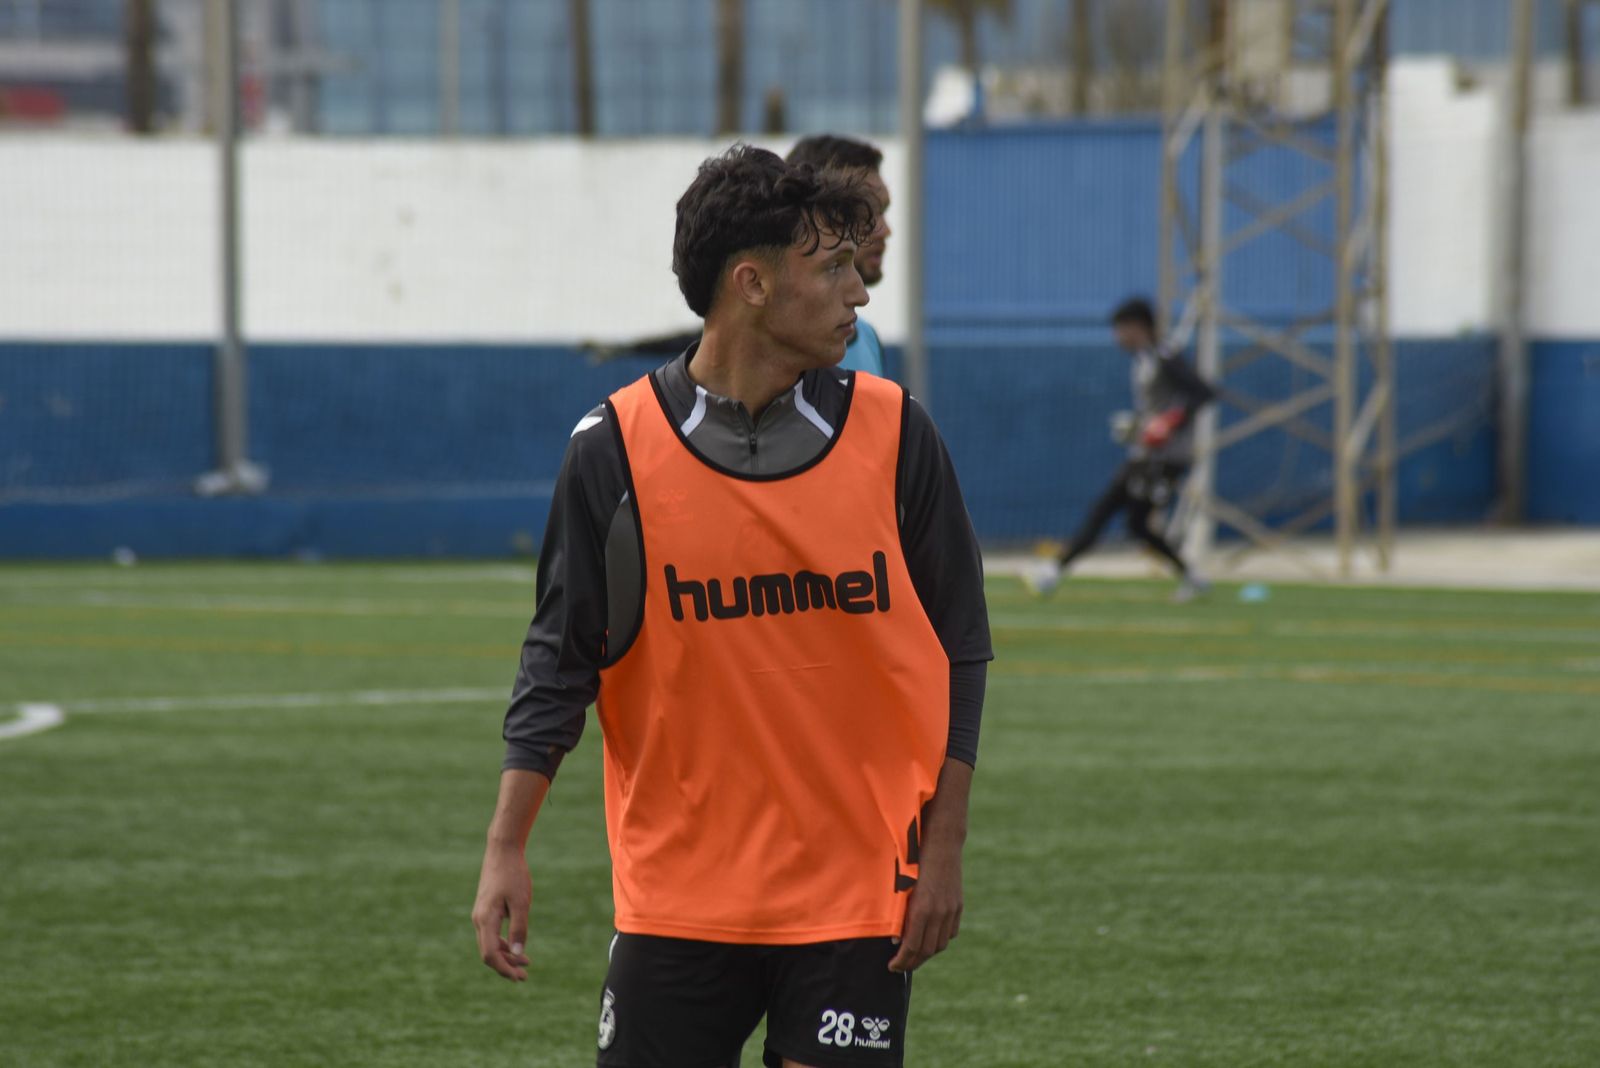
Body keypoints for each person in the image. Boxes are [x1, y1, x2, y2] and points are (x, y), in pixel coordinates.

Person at [472, 145, 993, 1068]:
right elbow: (559, 661)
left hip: (854, 896)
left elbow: (962, 648)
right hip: (677, 900)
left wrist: (943, 847)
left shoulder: (899, 435)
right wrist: (506, 845)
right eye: (832, 268)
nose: (858, 291)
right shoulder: (612, 451)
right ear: (752, 284)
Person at [1026, 297, 1216, 602]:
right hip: (1146, 455)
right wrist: (1140, 426)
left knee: (1106, 510)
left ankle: (1053, 571)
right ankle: (1193, 576)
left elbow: (1203, 392)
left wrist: (1168, 422)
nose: (1117, 337)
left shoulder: (1163, 356)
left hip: (1163, 458)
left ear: (1138, 327)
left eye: (1120, 329)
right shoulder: (1143, 359)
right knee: (1136, 524)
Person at [785, 135, 891, 377]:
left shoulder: (867, 338)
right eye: (866, 212)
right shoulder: (772, 349)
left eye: (883, 211)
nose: (885, 230)